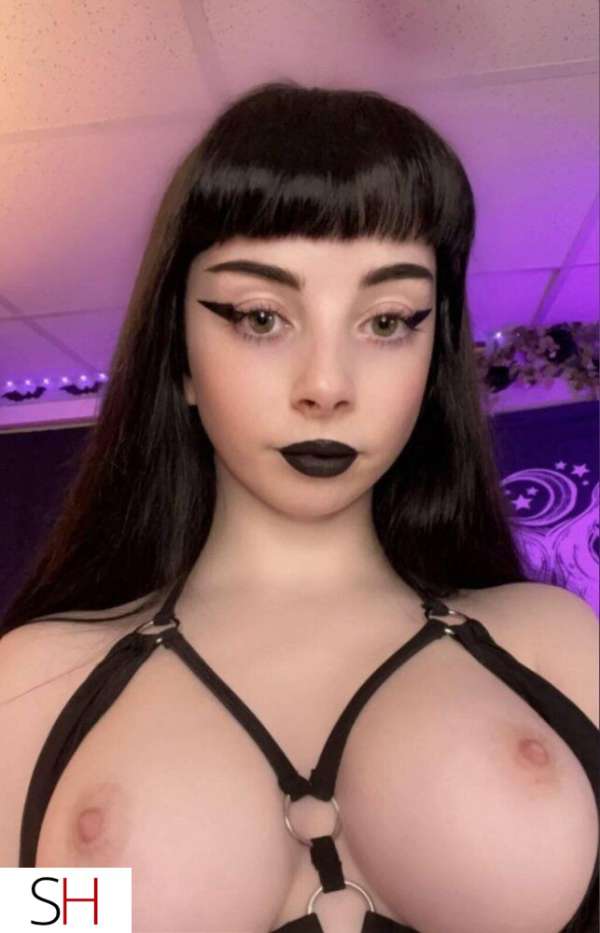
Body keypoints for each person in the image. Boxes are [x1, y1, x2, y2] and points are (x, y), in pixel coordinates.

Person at [0, 81, 597, 933]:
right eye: (259, 316)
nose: (326, 384)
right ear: (179, 357)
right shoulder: (33, 689)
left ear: (432, 356)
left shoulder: (554, 648)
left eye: (387, 321)